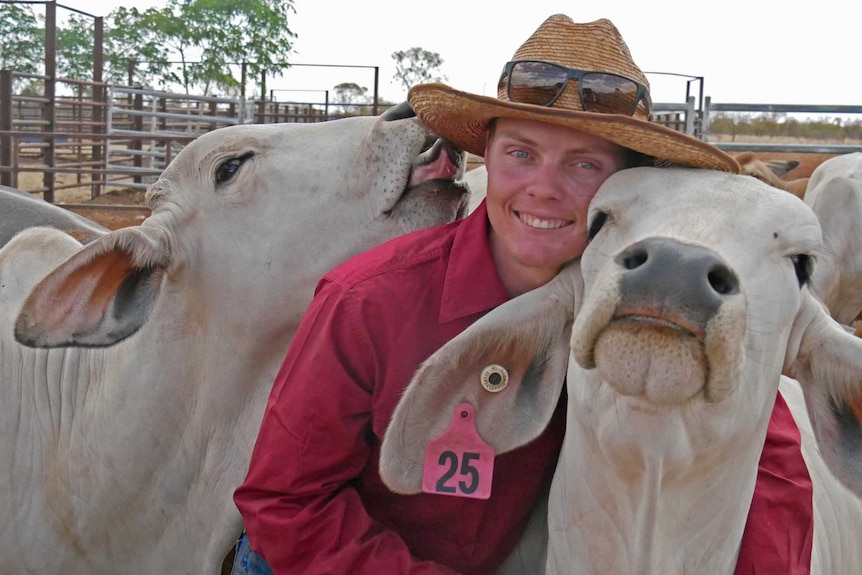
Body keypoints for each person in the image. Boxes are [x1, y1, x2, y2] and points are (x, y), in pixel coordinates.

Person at [233, 14, 813, 575]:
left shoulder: (637, 300)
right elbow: (284, 505)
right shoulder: (366, 302)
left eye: (584, 165)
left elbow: (764, 440)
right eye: (521, 154)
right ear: (486, 155)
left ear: (622, 185)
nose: (543, 190)